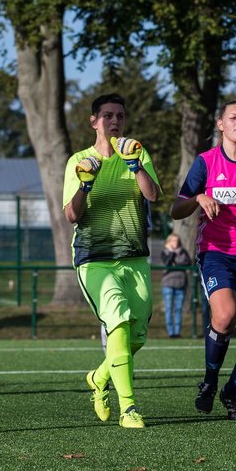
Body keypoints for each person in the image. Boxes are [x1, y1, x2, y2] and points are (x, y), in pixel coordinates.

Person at [171, 101, 236, 421]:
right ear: (221, 124)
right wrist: (198, 198)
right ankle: (209, 380)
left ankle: (232, 389)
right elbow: (176, 210)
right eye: (233, 117)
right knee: (227, 314)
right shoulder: (205, 162)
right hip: (217, 252)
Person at [64, 93, 161, 429]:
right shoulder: (79, 160)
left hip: (133, 256)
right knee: (117, 319)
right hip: (94, 258)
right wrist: (84, 185)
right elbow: (72, 214)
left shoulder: (137, 152)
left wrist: (135, 166)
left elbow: (152, 195)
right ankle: (129, 408)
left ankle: (99, 376)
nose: (115, 122)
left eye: (120, 115)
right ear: (94, 121)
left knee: (138, 336)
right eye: (107, 116)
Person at [159, 233, 191, 339]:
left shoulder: (183, 252)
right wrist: (172, 253)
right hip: (168, 284)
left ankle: (177, 332)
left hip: (181, 283)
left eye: (176, 240)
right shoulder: (165, 252)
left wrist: (176, 264)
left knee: (178, 309)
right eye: (172, 240)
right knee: (169, 309)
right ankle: (171, 333)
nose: (175, 242)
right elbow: (167, 263)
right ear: (168, 242)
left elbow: (188, 263)